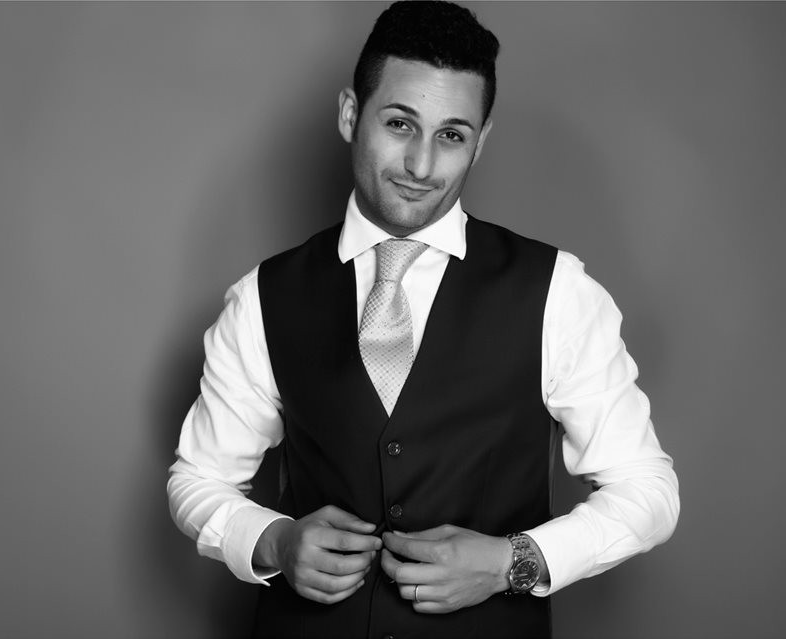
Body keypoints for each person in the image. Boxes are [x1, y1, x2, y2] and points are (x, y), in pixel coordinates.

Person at [168, 2, 679, 637]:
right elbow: (199, 477)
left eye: (451, 136)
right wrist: (272, 541)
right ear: (350, 115)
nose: (420, 165)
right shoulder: (262, 297)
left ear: (480, 142)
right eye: (400, 124)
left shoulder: (558, 292)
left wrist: (512, 563)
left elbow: (648, 490)